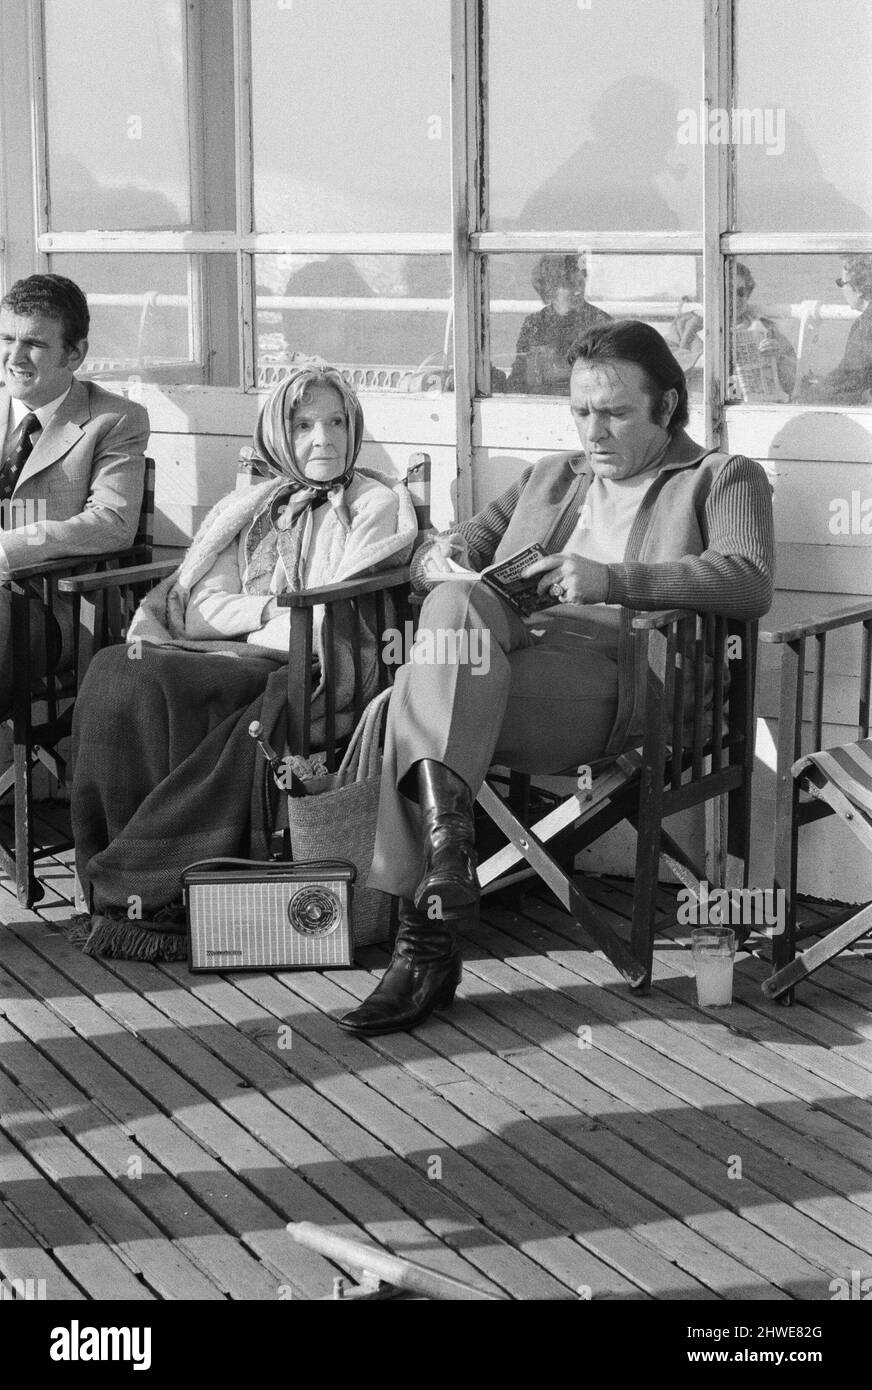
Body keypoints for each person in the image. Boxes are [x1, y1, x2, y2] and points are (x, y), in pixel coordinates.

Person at [340, 320, 775, 1037]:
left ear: (667, 406)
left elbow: (749, 580)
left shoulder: (721, 479)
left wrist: (610, 580)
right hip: (503, 675)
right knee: (454, 607)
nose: (593, 432)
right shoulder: (549, 479)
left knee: (419, 701)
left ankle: (424, 944)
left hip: (627, 687)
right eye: (580, 412)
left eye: (614, 413)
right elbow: (451, 549)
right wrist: (437, 563)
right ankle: (445, 867)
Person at [71, 359, 417, 960]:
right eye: (304, 424)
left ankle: (150, 875)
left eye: (336, 422)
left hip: (303, 664)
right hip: (231, 647)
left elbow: (338, 613)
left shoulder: (372, 504)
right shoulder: (253, 507)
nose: (323, 439)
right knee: (116, 669)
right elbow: (199, 608)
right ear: (280, 434)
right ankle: (120, 868)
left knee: (150, 675)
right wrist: (267, 612)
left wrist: (270, 616)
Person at [0, 273, 149, 707]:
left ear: (76, 354)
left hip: (57, 607)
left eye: (35, 344)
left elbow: (113, 524)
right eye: (7, 337)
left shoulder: (113, 419)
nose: (15, 356)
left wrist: (9, 549)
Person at [507, 255, 611, 394]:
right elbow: (519, 377)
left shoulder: (600, 323)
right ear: (550, 289)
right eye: (570, 285)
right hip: (538, 406)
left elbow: (608, 381)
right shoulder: (534, 324)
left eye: (580, 282)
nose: (578, 290)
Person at [802, 255, 872, 405]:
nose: (842, 289)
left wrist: (809, 395)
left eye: (842, 283)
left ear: (858, 288)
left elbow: (851, 377)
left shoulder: (866, 325)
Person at [732, 263, 797, 399]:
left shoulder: (766, 328)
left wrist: (778, 359)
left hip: (754, 407)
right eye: (727, 291)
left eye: (740, 292)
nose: (735, 299)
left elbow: (794, 381)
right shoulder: (689, 326)